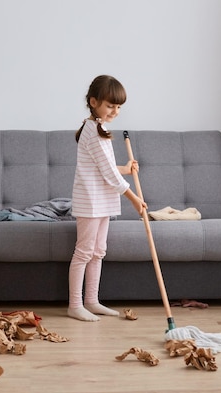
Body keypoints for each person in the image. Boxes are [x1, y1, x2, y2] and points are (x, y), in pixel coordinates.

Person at [68, 75, 147, 322]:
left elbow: (106, 168)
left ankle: (92, 300)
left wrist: (125, 168)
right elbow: (109, 174)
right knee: (84, 252)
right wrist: (133, 198)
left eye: (118, 107)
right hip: (90, 202)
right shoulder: (93, 132)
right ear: (94, 102)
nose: (115, 111)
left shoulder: (100, 129)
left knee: (98, 251)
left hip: (101, 201)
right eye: (110, 106)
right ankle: (75, 305)